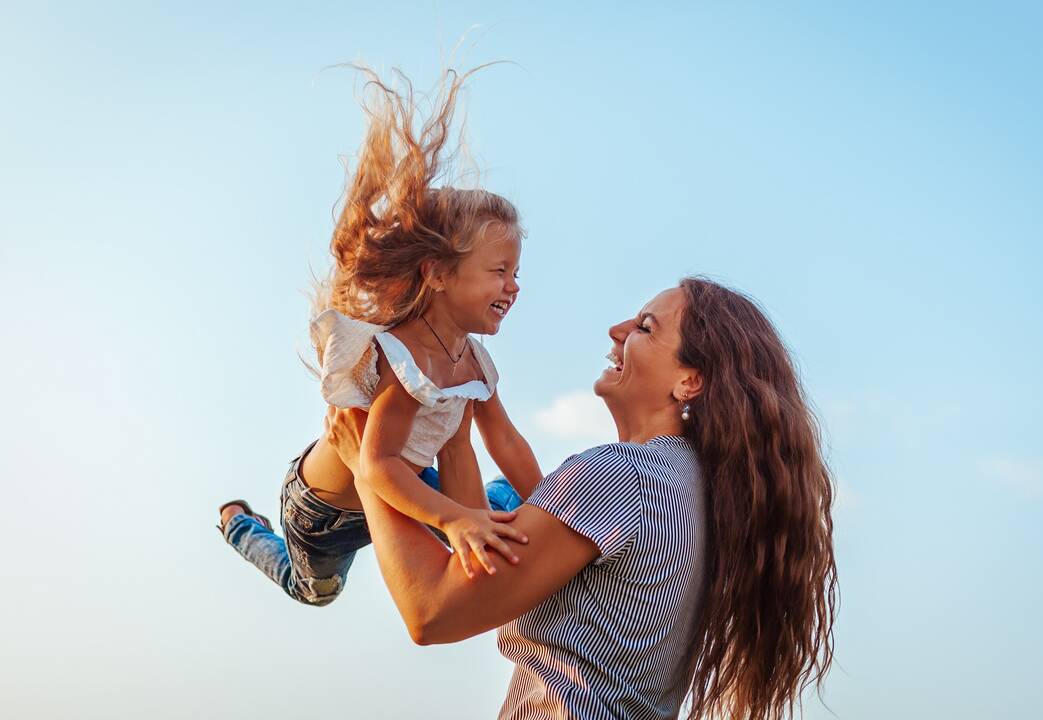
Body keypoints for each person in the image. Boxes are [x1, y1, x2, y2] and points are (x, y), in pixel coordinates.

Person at [326, 278, 838, 720]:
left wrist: (367, 466)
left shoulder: (620, 478)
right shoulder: (691, 487)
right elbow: (482, 568)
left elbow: (433, 613)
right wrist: (458, 439)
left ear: (690, 381)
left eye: (645, 327)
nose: (617, 331)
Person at [217, 66, 543, 607]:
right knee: (315, 593)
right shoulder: (402, 356)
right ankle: (239, 528)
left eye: (515, 272)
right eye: (500, 271)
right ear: (438, 274)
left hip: (411, 492)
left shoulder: (475, 363)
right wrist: (455, 519)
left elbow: (498, 441)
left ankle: (515, 508)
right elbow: (379, 464)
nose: (514, 286)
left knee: (503, 516)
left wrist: (554, 506)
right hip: (330, 513)